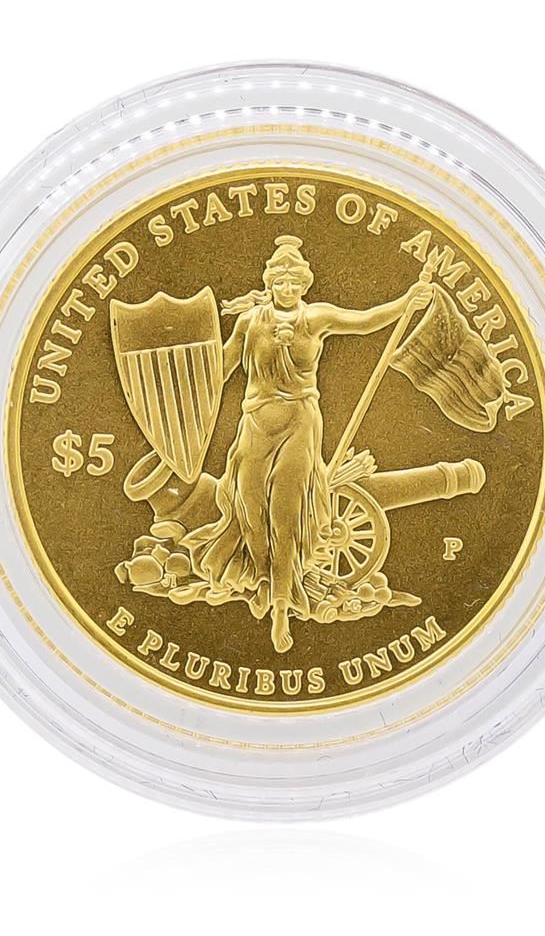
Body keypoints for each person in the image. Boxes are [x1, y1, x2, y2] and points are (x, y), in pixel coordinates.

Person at [181, 235, 433, 653]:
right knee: (250, 508)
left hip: (299, 423)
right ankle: (264, 575)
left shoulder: (317, 319)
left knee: (286, 512)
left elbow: (365, 320)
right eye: (280, 281)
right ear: (270, 283)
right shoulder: (250, 323)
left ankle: (281, 604)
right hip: (255, 424)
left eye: (294, 282)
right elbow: (220, 370)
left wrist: (407, 302)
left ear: (304, 284)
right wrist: (188, 379)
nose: (287, 288)